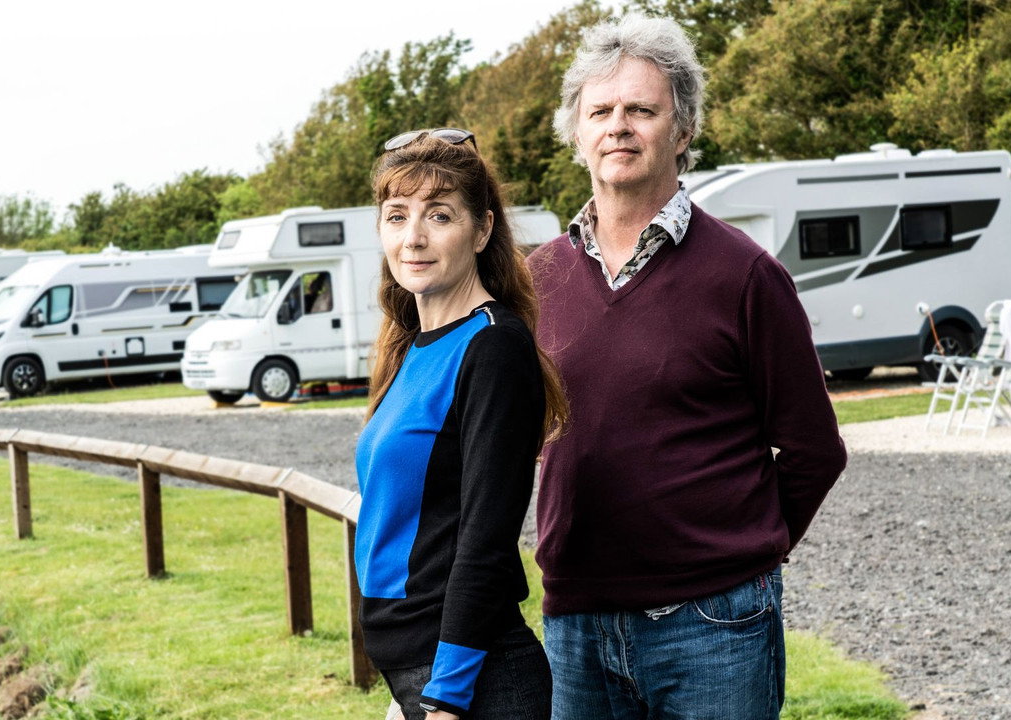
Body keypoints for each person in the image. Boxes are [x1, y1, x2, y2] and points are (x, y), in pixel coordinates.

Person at [527, 15, 848, 720]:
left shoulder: (745, 275)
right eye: (600, 112)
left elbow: (814, 449)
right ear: (576, 133)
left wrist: (744, 554)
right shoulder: (536, 279)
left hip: (714, 626)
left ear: (683, 130)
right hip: (575, 625)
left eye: (641, 110)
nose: (618, 126)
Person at [354, 128, 568, 720]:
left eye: (439, 215)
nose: (413, 237)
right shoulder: (411, 347)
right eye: (397, 216)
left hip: (470, 682)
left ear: (482, 229)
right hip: (416, 672)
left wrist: (446, 696)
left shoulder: (493, 347)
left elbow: (485, 536)